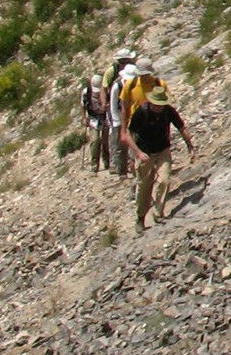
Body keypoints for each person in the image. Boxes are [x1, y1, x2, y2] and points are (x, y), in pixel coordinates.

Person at [121, 66, 194, 232]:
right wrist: (137, 154)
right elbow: (129, 135)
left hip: (162, 150)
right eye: (156, 105)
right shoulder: (141, 112)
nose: (158, 107)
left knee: (164, 180)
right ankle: (140, 218)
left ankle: (158, 213)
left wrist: (190, 146)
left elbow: (181, 128)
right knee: (144, 187)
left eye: (161, 105)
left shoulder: (169, 111)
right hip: (144, 152)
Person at [105, 47, 139, 177]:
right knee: (119, 143)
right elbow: (113, 104)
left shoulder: (137, 83)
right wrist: (116, 122)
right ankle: (121, 170)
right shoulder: (117, 85)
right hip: (119, 115)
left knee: (133, 142)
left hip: (133, 115)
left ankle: (134, 167)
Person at [79, 73, 111, 172]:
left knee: (105, 141)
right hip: (93, 118)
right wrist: (84, 118)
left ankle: (107, 161)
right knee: (96, 140)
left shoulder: (107, 91)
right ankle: (94, 165)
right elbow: (83, 105)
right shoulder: (86, 92)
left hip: (105, 117)